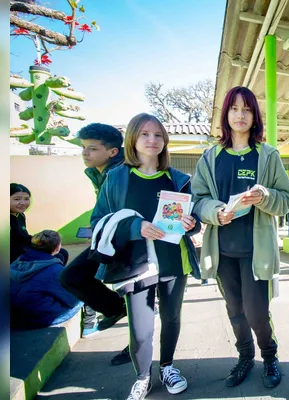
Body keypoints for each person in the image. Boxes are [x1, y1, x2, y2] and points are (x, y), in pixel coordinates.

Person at [90, 113, 201, 399]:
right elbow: (99, 219)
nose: (153, 140)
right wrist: (135, 227)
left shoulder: (178, 179)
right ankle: (142, 377)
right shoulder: (116, 178)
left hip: (174, 263)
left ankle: (167, 366)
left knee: (171, 318)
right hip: (135, 265)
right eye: (145, 134)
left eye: (158, 135)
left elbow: (194, 219)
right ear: (133, 140)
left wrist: (193, 224)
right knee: (140, 329)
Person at [192, 86, 289, 390]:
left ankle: (270, 355)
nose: (240, 115)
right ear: (226, 114)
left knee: (257, 312)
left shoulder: (268, 155)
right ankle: (245, 356)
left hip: (256, 251)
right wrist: (215, 211)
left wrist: (264, 195)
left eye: (246, 109)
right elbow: (198, 199)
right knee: (234, 311)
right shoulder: (211, 158)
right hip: (222, 250)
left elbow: (286, 199)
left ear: (254, 116)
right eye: (234, 108)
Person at [56, 123, 131, 362]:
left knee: (136, 296)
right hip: (106, 237)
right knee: (72, 277)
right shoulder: (97, 173)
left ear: (112, 151)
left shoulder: (121, 172)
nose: (85, 153)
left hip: (125, 239)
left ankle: (136, 347)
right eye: (84, 148)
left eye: (92, 148)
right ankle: (115, 308)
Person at [10, 230, 82, 330]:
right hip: (37, 319)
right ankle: (89, 327)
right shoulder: (54, 270)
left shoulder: (16, 262)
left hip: (14, 317)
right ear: (57, 248)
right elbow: (71, 300)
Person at [10, 183, 68, 265]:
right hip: (15, 256)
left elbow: (23, 237)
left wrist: (43, 240)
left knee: (62, 252)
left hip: (25, 249)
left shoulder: (20, 215)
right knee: (57, 257)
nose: (23, 203)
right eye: (17, 199)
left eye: (26, 199)